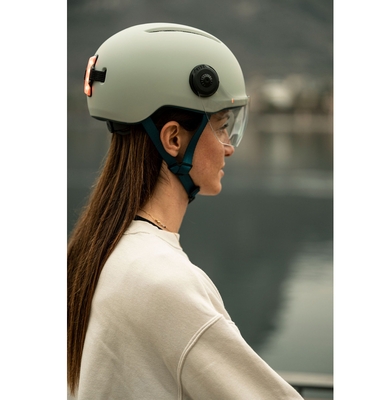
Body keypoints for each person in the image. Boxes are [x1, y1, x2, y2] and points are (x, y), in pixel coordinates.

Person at [68, 22, 303, 399]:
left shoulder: (94, 253)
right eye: (222, 127)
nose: (229, 146)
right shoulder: (165, 282)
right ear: (174, 139)